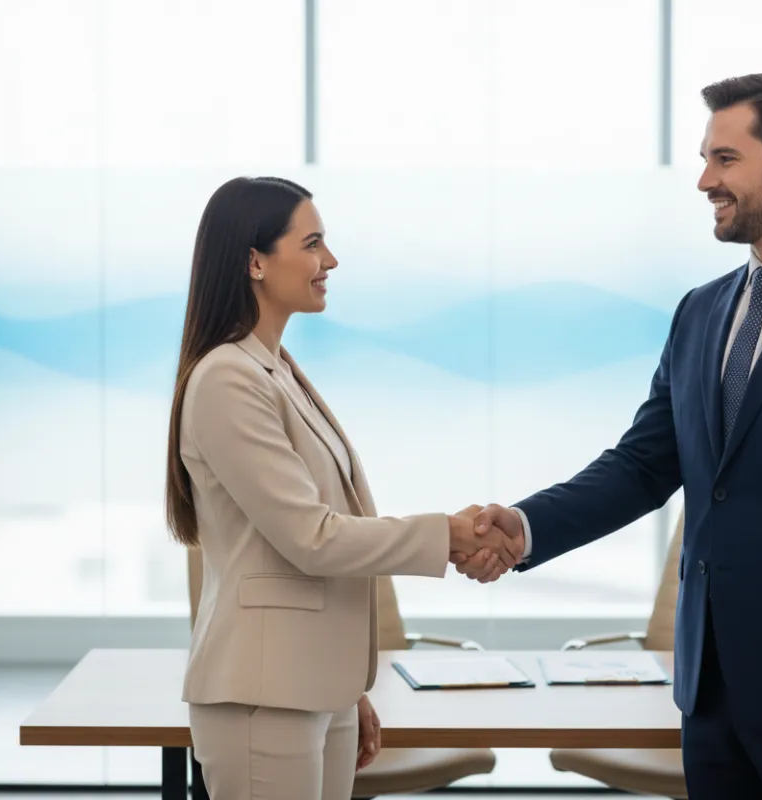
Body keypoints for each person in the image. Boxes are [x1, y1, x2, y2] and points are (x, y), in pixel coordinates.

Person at [455, 73, 762, 799]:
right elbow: (642, 465)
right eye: (704, 159)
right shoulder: (701, 311)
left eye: (724, 159)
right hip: (709, 699)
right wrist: (525, 526)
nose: (703, 180)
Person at [164, 176, 522, 800]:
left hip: (307, 687)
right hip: (262, 695)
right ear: (254, 260)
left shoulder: (274, 369)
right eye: (312, 243)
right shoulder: (228, 378)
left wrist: (343, 686)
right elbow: (313, 538)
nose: (329, 261)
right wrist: (449, 535)